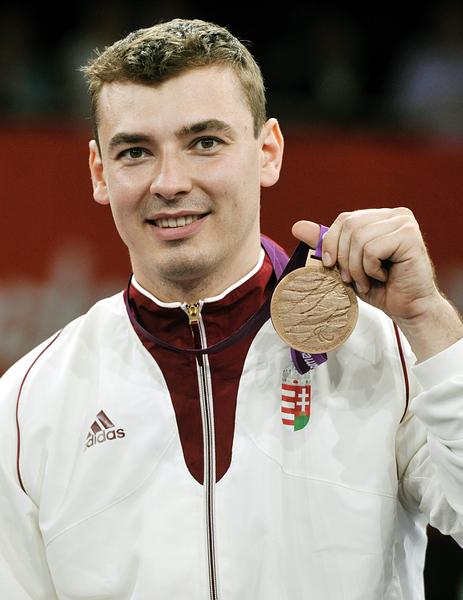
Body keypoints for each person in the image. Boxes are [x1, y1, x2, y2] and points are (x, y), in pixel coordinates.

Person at [0, 18, 462, 600]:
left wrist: (427, 318)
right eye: (136, 151)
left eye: (205, 143)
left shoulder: (384, 353)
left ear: (268, 151)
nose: (169, 182)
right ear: (100, 173)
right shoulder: (27, 405)